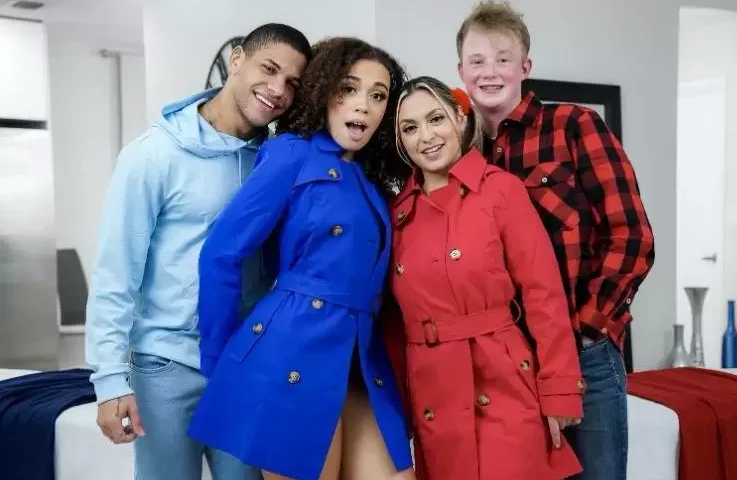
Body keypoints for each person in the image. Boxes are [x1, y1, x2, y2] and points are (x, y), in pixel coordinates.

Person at [84, 23, 311, 480]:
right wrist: (108, 380)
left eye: (292, 83)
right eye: (269, 69)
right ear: (237, 60)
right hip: (165, 366)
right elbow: (115, 273)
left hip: (244, 362)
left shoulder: (279, 160)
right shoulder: (152, 155)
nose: (277, 90)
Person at [186, 37, 416, 480]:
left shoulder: (372, 180)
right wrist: (219, 359)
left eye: (378, 95)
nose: (363, 105)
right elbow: (221, 253)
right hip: (291, 349)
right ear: (324, 91)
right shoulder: (292, 153)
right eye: (349, 88)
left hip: (360, 359)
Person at [455, 2, 657, 479]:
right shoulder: (459, 153)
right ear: (460, 71)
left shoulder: (574, 126)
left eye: (503, 59)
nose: (490, 72)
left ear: (525, 67)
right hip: (506, 366)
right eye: (477, 61)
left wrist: (587, 329)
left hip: (584, 357)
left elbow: (632, 236)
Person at [386, 76, 584, 480]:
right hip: (433, 392)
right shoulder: (397, 214)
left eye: (436, 119)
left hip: (503, 380)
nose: (426, 136)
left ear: (460, 119)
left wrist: (560, 390)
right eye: (410, 128)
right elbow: (391, 321)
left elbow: (544, 294)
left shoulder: (501, 191)